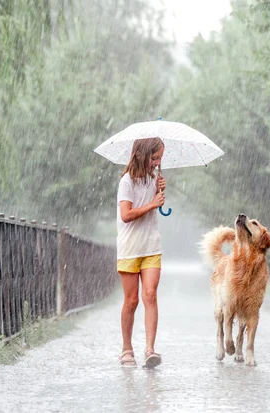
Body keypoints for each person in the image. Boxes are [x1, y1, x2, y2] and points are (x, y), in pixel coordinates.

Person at [116, 137, 166, 369]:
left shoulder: (153, 179)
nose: (157, 163)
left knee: (150, 295)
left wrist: (158, 192)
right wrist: (152, 204)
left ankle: (150, 349)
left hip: (151, 247)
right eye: (154, 158)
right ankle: (127, 349)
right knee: (132, 300)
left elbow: (155, 206)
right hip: (129, 249)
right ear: (141, 155)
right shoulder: (126, 181)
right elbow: (126, 215)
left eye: (159, 159)